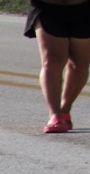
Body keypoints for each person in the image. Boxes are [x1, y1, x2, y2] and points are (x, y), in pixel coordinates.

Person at [25, 0, 90, 133]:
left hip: (84, 8)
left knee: (79, 63)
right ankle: (55, 115)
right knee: (51, 62)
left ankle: (64, 110)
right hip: (47, 7)